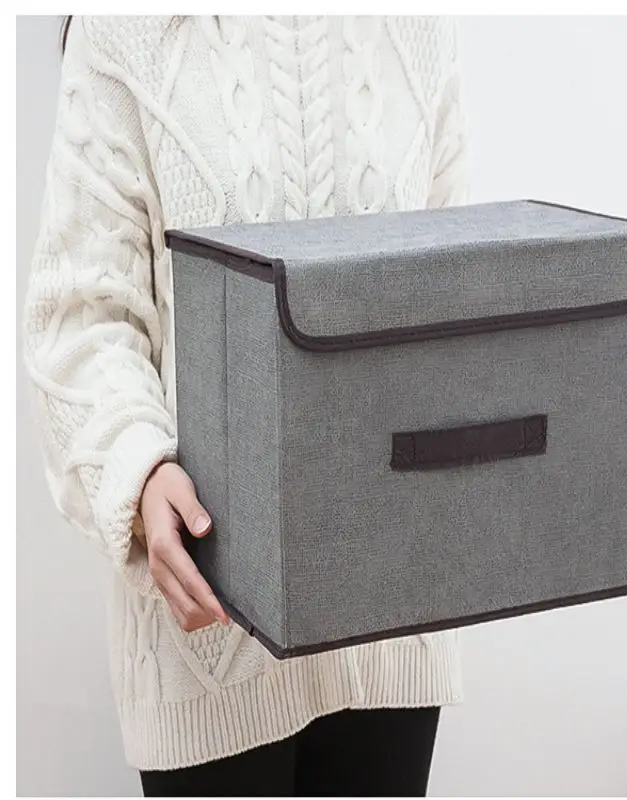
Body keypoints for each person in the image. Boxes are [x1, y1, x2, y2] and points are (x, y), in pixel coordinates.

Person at [22, 14, 471, 798]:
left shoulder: (417, 25)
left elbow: (454, 278)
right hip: (208, 628)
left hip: (392, 622)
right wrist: (139, 468)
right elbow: (81, 316)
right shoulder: (125, 27)